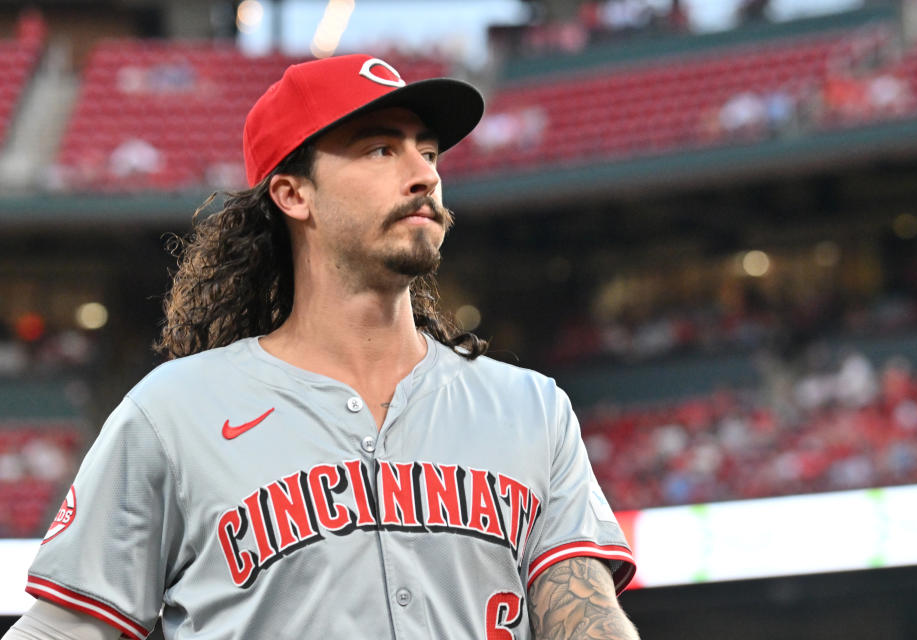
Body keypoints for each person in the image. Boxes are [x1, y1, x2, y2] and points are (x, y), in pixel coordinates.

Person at [6, 54, 638, 639]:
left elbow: (584, 614)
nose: (423, 176)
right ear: (292, 193)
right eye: (382, 150)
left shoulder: (530, 408)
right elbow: (62, 630)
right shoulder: (173, 415)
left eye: (429, 153)